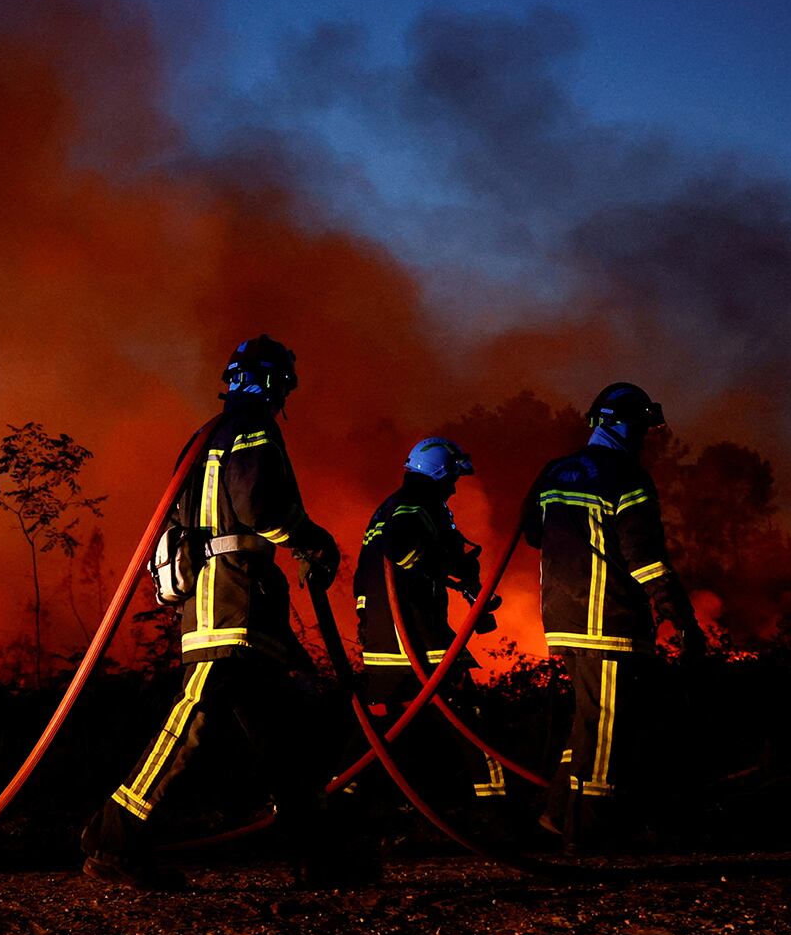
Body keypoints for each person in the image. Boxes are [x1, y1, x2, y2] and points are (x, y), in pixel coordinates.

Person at [80, 335, 343, 889]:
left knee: (282, 738)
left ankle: (321, 856)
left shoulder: (206, 438)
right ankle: (115, 838)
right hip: (229, 605)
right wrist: (311, 540)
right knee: (190, 724)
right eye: (284, 389)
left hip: (240, 606)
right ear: (276, 385)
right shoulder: (254, 430)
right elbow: (259, 507)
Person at [522, 382, 706, 850]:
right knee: (607, 728)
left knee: (589, 722)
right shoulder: (628, 476)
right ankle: (592, 833)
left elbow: (531, 534)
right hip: (609, 624)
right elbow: (643, 556)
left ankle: (558, 817)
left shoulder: (554, 471)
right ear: (623, 425)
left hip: (562, 620)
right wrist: (678, 614)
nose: (645, 437)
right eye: (642, 427)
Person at [352, 437, 508, 821]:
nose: (455, 486)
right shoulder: (417, 506)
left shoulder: (388, 507)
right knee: (467, 715)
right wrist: (450, 569)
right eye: (453, 477)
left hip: (383, 637)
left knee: (381, 724)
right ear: (439, 473)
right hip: (418, 634)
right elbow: (402, 548)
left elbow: (365, 574)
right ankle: (498, 809)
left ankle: (345, 798)